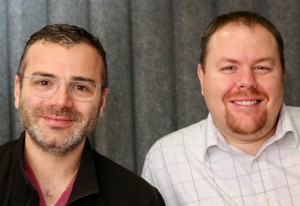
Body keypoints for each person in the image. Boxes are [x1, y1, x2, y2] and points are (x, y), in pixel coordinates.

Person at [142, 10, 300, 205]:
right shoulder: (165, 161)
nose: (247, 82)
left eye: (261, 67)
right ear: (202, 77)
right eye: (229, 68)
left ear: (282, 75)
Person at [0, 24, 165, 206]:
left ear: (102, 101)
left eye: (80, 87)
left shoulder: (140, 199)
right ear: (18, 90)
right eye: (44, 82)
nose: (61, 102)